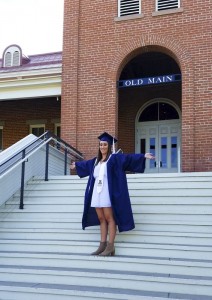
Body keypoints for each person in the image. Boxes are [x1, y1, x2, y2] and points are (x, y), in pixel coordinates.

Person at [70, 132, 155, 256]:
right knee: (101, 218)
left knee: (110, 218)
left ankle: (110, 246)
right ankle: (102, 245)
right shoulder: (95, 161)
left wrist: (143, 156)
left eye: (105, 144)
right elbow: (85, 165)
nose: (102, 147)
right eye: (101, 145)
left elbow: (128, 158)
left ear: (109, 146)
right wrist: (76, 165)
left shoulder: (114, 158)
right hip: (96, 192)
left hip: (107, 192)